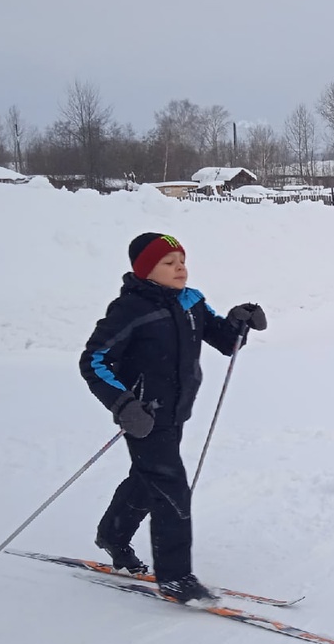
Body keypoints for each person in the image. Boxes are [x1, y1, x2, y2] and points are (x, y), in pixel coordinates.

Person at [79, 232, 266, 605]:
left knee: (149, 480)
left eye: (182, 260)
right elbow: (94, 360)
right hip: (144, 417)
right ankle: (175, 577)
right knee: (172, 490)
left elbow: (225, 340)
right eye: (169, 262)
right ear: (146, 270)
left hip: (176, 412)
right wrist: (124, 406)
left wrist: (240, 321)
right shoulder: (131, 310)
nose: (180, 267)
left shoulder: (191, 302)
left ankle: (113, 535)